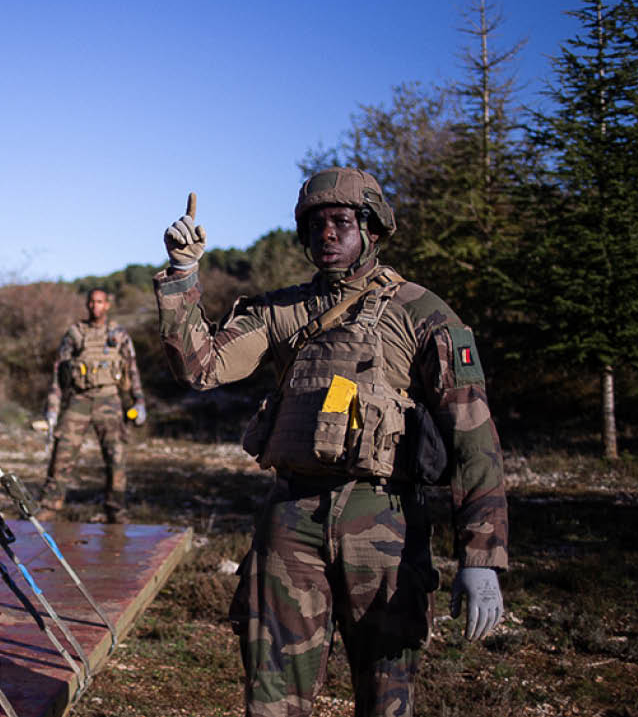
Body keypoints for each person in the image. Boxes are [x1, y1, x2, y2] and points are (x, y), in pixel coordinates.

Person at [153, 171, 508, 716]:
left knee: (387, 696)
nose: (327, 233)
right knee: (272, 698)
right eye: (316, 223)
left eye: (341, 221)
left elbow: (474, 440)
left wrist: (481, 556)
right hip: (291, 518)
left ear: (372, 228)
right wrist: (183, 274)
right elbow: (202, 367)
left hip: (384, 520)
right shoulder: (281, 310)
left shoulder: (423, 313)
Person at [42, 288, 146, 523]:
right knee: (61, 454)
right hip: (79, 400)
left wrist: (138, 401)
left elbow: (131, 369)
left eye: (100, 302)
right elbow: (59, 372)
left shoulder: (119, 335)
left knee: (116, 456)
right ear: (87, 304)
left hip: (109, 399)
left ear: (107, 305)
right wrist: (52, 407)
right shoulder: (75, 334)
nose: (95, 306)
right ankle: (50, 505)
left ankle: (116, 509)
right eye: (91, 302)